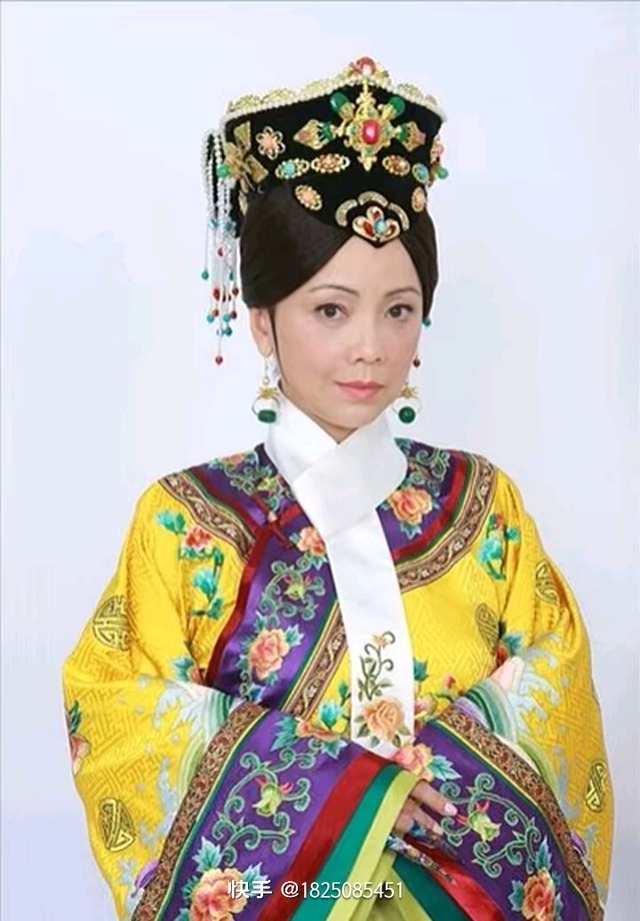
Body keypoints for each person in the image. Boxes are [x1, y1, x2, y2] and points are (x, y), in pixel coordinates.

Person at [63, 56, 613, 921]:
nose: (371, 346)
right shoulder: (183, 523)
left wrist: (429, 778)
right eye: (331, 309)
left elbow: (556, 688)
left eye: (399, 309)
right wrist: (355, 794)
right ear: (261, 320)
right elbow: (120, 710)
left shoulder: (482, 505)